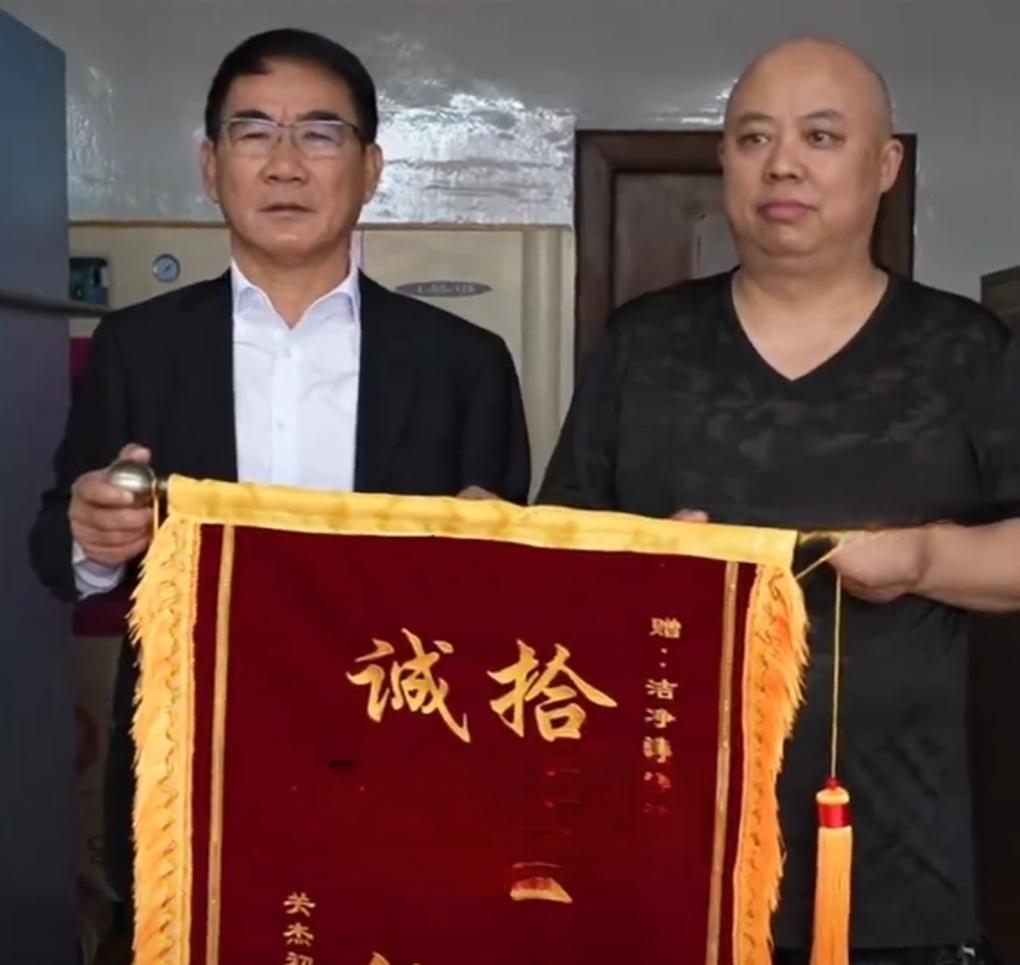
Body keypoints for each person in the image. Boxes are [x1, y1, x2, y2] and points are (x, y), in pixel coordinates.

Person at [30, 27, 529, 934]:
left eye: (321, 134)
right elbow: (54, 548)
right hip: (192, 772)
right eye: (253, 132)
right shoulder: (140, 348)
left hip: (404, 772)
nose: (286, 163)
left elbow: (510, 601)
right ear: (210, 165)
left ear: (371, 168)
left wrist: (499, 564)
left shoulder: (466, 363)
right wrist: (91, 536)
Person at [539, 36, 1020, 965]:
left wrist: (925, 558)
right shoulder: (644, 345)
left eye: (821, 137)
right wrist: (645, 562)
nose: (783, 164)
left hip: (893, 854)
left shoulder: (966, 350)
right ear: (724, 161)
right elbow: (559, 560)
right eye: (754, 138)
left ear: (886, 165)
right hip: (670, 840)